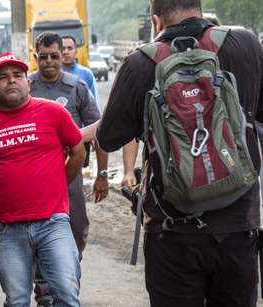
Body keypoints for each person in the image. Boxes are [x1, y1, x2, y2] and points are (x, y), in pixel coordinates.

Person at [95, 1, 263, 306]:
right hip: (237, 224)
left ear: (155, 19)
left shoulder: (139, 63)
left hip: (171, 231)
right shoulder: (246, 44)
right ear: (198, 7)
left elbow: (108, 138)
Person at [0, 52, 85, 307]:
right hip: (9, 229)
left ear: (28, 82)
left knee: (66, 293)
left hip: (53, 222)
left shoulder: (53, 112)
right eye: (2, 77)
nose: (11, 81)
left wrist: (58, 184)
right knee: (17, 300)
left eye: (17, 75)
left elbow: (78, 151)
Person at [28, 31, 109, 306]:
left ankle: (68, 282)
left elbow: (101, 131)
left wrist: (102, 174)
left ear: (62, 55)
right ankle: (45, 295)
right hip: (34, 178)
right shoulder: (25, 86)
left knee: (75, 231)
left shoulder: (76, 87)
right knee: (37, 235)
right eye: (43, 57)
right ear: (35, 56)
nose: (49, 62)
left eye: (54, 56)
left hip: (69, 174)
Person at [61, 35, 100, 109]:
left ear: (76, 52)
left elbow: (95, 102)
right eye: (63, 48)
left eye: (70, 48)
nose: (66, 52)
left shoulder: (86, 74)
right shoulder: (53, 74)